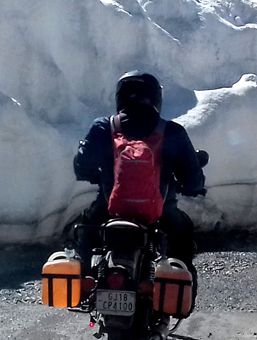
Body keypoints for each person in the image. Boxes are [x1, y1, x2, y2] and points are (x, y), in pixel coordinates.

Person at [70, 71, 206, 275]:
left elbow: (81, 165)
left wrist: (96, 174)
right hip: (161, 212)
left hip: (109, 208)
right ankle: (178, 285)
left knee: (85, 230)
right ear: (155, 97)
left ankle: (84, 277)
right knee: (182, 233)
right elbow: (192, 179)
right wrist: (193, 187)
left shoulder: (103, 127)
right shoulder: (172, 132)